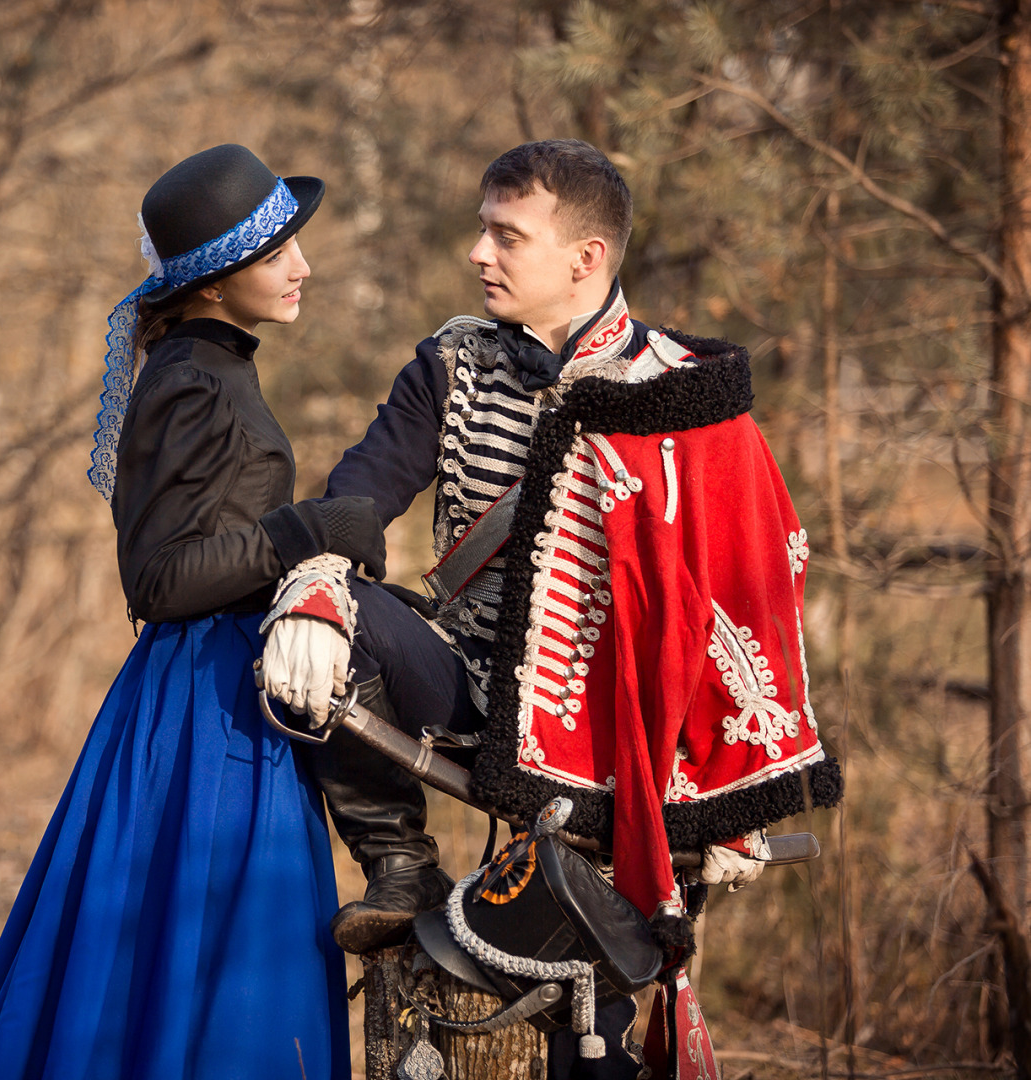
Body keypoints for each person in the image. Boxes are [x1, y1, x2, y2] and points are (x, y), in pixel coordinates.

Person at [259, 139, 843, 1076]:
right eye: (483, 230)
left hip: (619, 751)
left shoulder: (680, 392)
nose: (479, 253)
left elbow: (746, 593)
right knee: (337, 608)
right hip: (473, 692)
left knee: (593, 1007)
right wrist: (320, 574)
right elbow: (367, 482)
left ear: (586, 259)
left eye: (506, 235)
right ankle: (403, 865)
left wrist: (733, 792)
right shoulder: (454, 362)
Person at [0, 144, 384, 1080]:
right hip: (202, 711)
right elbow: (158, 581)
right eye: (277, 254)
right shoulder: (191, 381)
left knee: (208, 955)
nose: (302, 267)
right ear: (215, 283)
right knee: (209, 952)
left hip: (223, 691)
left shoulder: (210, 366)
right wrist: (302, 532)